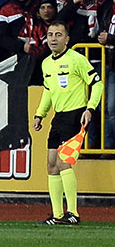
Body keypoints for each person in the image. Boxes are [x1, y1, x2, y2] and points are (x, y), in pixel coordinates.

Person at [33, 21, 104, 225]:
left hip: (75, 115)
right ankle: (57, 214)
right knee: (51, 164)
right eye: (50, 34)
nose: (53, 38)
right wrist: (40, 114)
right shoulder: (46, 63)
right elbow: (48, 91)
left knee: (64, 162)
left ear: (67, 39)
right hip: (58, 117)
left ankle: (73, 213)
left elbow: (97, 83)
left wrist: (90, 108)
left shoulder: (77, 59)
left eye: (58, 34)